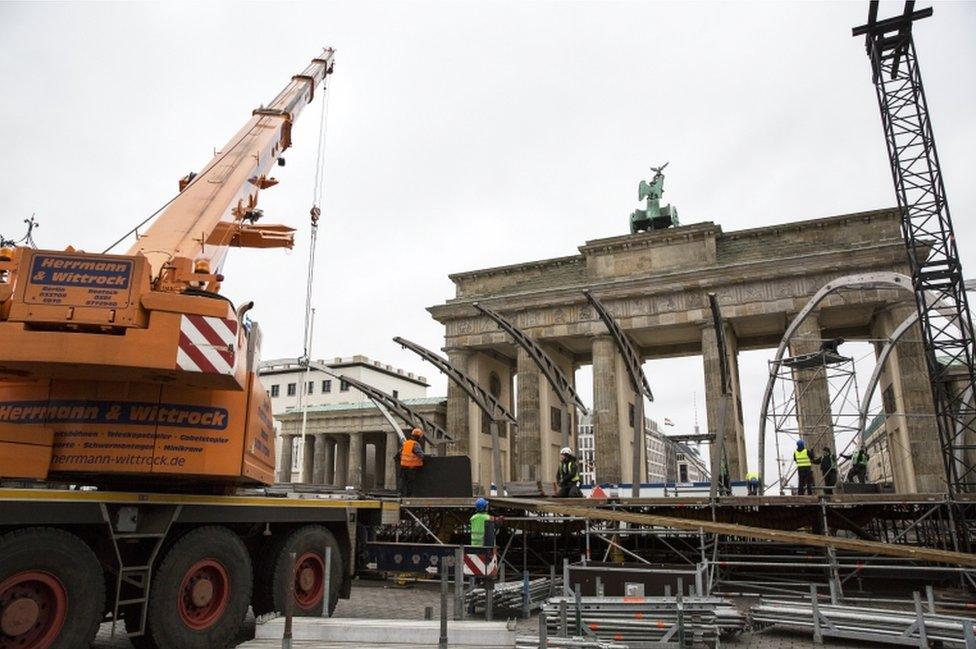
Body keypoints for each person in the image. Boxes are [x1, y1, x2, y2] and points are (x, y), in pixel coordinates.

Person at [399, 428, 424, 497]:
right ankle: (408, 497)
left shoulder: (406, 443)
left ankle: (401, 495)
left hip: (403, 467)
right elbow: (421, 455)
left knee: (403, 483)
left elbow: (400, 453)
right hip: (411, 468)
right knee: (410, 484)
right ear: (418, 437)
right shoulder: (415, 445)